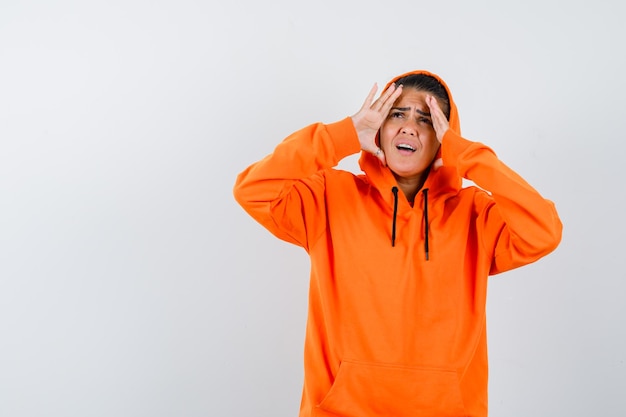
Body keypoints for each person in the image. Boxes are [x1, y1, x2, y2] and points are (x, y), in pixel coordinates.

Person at [233, 70, 562, 417]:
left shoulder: (474, 215)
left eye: (426, 120)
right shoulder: (330, 198)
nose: (409, 127)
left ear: (443, 139)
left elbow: (543, 229)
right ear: (378, 129)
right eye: (397, 114)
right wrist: (343, 135)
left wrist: (465, 155)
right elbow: (253, 190)